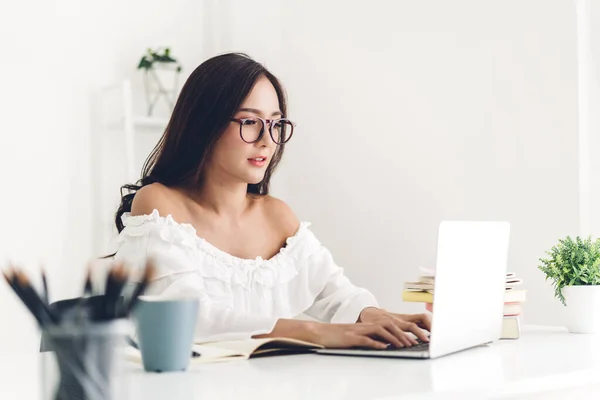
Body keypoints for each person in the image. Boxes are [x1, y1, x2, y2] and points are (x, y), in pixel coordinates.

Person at [112, 52, 431, 349]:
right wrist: (315, 331)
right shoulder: (160, 204)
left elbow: (336, 292)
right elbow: (191, 319)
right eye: (250, 122)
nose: (268, 141)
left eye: (276, 124)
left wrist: (371, 314)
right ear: (204, 124)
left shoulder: (277, 215)